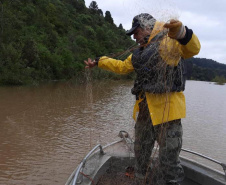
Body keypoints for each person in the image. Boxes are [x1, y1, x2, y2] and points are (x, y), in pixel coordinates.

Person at [84, 13, 201, 185]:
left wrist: (182, 33)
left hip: (167, 117)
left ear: (148, 28)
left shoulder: (170, 42)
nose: (134, 36)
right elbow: (122, 66)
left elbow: (193, 49)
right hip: (145, 115)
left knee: (169, 165)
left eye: (136, 32)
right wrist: (99, 61)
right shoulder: (139, 54)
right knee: (141, 158)